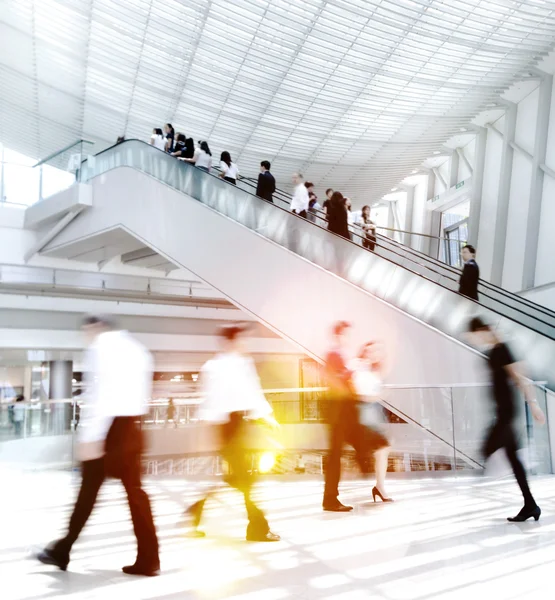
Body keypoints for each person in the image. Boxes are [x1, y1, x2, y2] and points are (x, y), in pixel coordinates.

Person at [37, 315, 160, 576]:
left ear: (95, 328)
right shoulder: (138, 349)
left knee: (88, 493)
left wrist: (89, 437)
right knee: (136, 495)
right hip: (133, 428)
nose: (86, 336)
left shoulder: (100, 348)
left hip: (109, 431)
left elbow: (100, 396)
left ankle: (62, 550)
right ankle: (149, 559)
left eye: (86, 331)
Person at [183, 324, 280, 542]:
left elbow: (210, 401)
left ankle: (196, 512)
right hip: (231, 427)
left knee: (237, 478)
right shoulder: (238, 364)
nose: (245, 344)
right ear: (230, 342)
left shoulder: (214, 366)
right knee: (245, 479)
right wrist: (266, 416)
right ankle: (257, 528)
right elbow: (251, 392)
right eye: (241, 340)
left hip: (229, 427)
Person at [467, 317, 545, 522]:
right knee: (513, 460)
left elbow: (520, 376)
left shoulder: (502, 349)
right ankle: (530, 505)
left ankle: (475, 488)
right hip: (502, 412)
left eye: (474, 336)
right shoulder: (492, 352)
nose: (474, 340)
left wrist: (534, 403)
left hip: (507, 412)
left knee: (487, 449)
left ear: (482, 331)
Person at [323, 321, 372, 512]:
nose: (349, 338)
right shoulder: (333, 355)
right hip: (338, 414)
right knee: (335, 456)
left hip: (346, 412)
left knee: (355, 444)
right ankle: (330, 500)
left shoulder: (343, 355)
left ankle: (363, 463)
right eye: (346, 334)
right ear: (338, 336)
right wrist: (353, 369)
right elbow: (338, 379)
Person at [350, 342, 392, 502]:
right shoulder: (359, 367)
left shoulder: (372, 370)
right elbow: (360, 394)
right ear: (364, 352)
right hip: (365, 411)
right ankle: (378, 486)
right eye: (370, 351)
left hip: (374, 411)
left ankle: (379, 486)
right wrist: (378, 396)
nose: (374, 354)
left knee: (382, 449)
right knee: (380, 448)